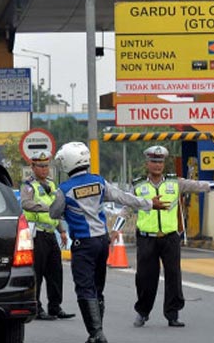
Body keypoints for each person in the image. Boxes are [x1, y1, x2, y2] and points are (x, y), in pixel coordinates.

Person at [49, 142, 169, 343]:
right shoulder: (99, 182)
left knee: (84, 288)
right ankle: (97, 333)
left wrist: (65, 209)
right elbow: (124, 197)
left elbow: (53, 212)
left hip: (83, 244)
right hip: (102, 242)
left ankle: (96, 334)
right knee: (97, 288)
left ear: (69, 162)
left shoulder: (65, 189)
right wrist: (150, 203)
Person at [116, 145, 214, 329]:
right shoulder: (138, 185)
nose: (158, 165)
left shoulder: (175, 182)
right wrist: (115, 230)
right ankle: (143, 312)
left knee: (173, 276)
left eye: (160, 162)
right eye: (154, 161)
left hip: (170, 237)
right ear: (147, 163)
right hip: (147, 238)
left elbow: (198, 186)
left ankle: (172, 314)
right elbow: (126, 208)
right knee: (145, 277)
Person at [20, 150, 74, 321]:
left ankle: (55, 307)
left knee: (55, 272)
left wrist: (62, 230)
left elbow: (56, 209)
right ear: (33, 167)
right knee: (37, 272)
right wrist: (46, 208)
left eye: (46, 166)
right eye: (40, 166)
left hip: (51, 234)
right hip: (37, 234)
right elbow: (26, 204)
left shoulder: (52, 184)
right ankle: (36, 307)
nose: (44, 169)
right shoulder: (29, 185)